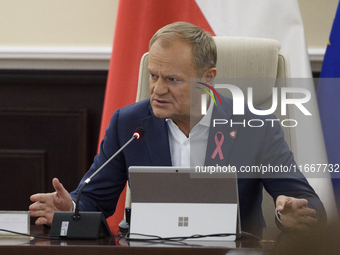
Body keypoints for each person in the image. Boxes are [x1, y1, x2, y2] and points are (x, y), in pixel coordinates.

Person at [29, 22, 326, 237]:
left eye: (172, 79)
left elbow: (308, 204)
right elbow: (95, 200)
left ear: (208, 79)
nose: (157, 89)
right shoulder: (128, 123)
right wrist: (71, 205)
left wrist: (288, 213)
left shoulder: (254, 125)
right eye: (153, 76)